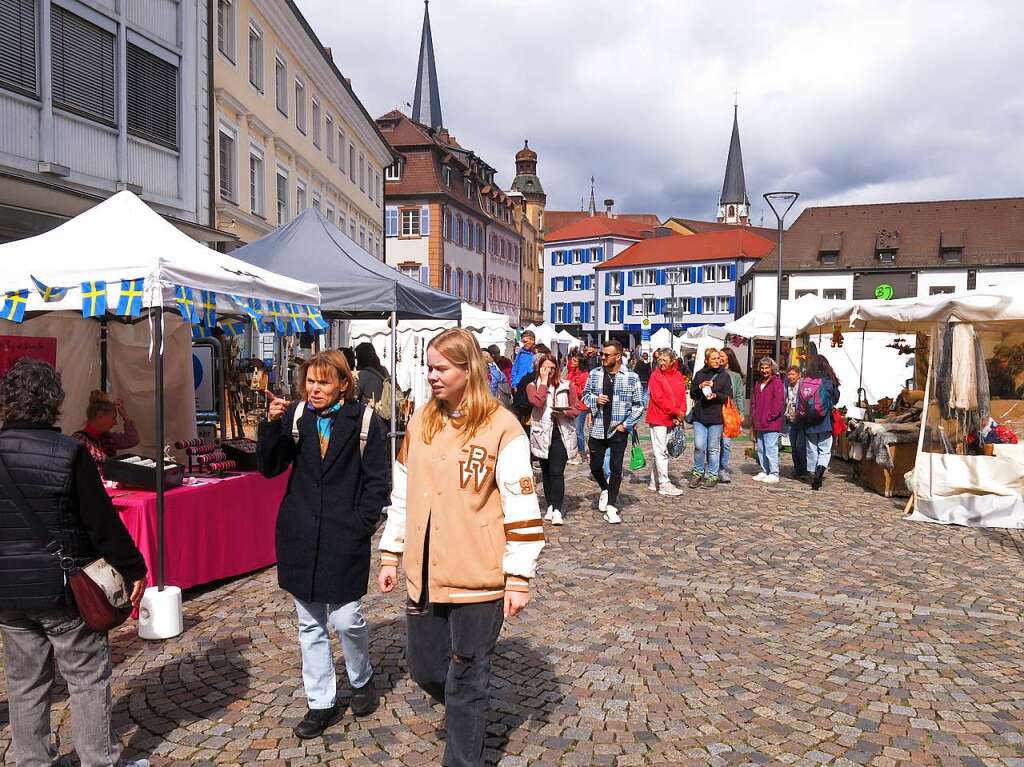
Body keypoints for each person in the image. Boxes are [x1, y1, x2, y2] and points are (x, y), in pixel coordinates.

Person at [377, 328, 544, 767]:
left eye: (441, 368)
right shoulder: (420, 420)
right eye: (428, 368)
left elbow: (521, 503)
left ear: (467, 369)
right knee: (426, 669)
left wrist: (518, 576)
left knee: (467, 675)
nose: (431, 376)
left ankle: (463, 756)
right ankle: (463, 707)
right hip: (425, 570)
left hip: (479, 575)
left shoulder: (502, 427)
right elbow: (403, 491)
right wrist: (391, 550)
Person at [0, 359, 148, 767]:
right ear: (54, 403)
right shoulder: (69, 452)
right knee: (86, 677)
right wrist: (134, 567)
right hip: (62, 587)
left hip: (9, 590)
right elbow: (100, 523)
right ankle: (99, 760)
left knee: (25, 682)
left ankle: (32, 761)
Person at [257, 350, 389, 738]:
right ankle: (321, 703)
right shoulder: (299, 417)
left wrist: (360, 525)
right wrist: (270, 425)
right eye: (310, 382)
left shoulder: (364, 420)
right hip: (300, 535)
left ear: (343, 384)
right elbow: (269, 467)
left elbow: (378, 481)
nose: (314, 389)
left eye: (323, 382)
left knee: (346, 618)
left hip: (344, 535)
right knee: (310, 625)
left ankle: (361, 677)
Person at [582, 340, 644, 524]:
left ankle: (611, 506)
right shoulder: (595, 374)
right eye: (602, 354)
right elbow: (585, 395)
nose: (602, 357)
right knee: (595, 466)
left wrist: (626, 425)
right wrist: (595, 400)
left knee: (616, 468)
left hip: (619, 428)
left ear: (618, 356)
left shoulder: (631, 377)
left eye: (606, 355)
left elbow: (639, 405)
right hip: (598, 427)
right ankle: (605, 488)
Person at [528, 352, 581, 526]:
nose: (549, 371)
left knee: (557, 472)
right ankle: (550, 505)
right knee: (546, 473)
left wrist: (564, 412)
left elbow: (576, 409)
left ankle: (557, 509)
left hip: (561, 433)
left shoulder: (567, 385)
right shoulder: (532, 386)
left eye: (552, 368)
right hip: (542, 434)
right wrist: (543, 383)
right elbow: (537, 402)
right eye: (545, 368)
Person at [688, 349, 733, 489]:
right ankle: (698, 473)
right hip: (700, 416)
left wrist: (716, 395)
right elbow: (693, 394)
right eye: (713, 358)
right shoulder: (700, 374)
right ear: (706, 360)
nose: (717, 360)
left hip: (716, 417)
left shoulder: (724, 376)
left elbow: (727, 395)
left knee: (713, 448)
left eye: (718, 358)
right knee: (699, 446)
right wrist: (700, 386)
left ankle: (713, 475)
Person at [645, 348, 687, 496]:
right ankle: (664, 483)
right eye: (659, 360)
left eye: (665, 360)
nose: (661, 363)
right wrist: (676, 411)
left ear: (672, 361)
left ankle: (654, 481)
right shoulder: (655, 376)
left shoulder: (678, 376)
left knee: (663, 450)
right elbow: (658, 398)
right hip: (659, 417)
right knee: (660, 450)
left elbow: (682, 395)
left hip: (673, 417)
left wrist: (681, 412)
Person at [800, 356, 841, 490]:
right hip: (824, 420)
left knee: (812, 448)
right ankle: (820, 470)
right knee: (824, 448)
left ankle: (812, 473)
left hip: (809, 420)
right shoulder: (828, 381)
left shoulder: (806, 381)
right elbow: (835, 400)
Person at [73, 390, 140, 469]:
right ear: (100, 417)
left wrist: (125, 416)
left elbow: (133, 439)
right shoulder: (79, 440)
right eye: (113, 418)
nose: (115, 423)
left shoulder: (108, 438)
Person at [750, 357, 785, 484]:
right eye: (762, 368)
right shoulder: (758, 383)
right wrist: (753, 416)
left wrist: (770, 417)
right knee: (761, 448)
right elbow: (754, 401)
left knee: (771, 448)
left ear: (772, 369)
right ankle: (765, 470)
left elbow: (779, 403)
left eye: (767, 368)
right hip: (759, 421)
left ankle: (774, 472)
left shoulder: (777, 382)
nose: (764, 370)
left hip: (771, 422)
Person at [718, 347, 746, 484]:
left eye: (722, 356)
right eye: (719, 356)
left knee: (726, 443)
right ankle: (713, 467)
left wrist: (741, 412)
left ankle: (722, 468)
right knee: (712, 443)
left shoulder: (735, 376)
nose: (720, 358)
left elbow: (739, 395)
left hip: (729, 412)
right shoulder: (715, 372)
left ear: (729, 357)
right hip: (715, 411)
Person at [565, 351, 590, 463]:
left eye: (575, 360)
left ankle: (581, 452)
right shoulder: (570, 372)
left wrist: (573, 386)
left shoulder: (585, 375)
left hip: (581, 406)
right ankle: (573, 451)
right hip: (570, 404)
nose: (572, 362)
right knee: (571, 429)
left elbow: (583, 392)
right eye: (572, 359)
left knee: (578, 430)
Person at [784, 365, 808, 480]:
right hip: (791, 419)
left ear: (798, 375)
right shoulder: (787, 386)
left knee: (800, 445)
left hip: (801, 419)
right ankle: (797, 468)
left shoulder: (802, 386)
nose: (790, 377)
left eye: (792, 374)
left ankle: (804, 469)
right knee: (793, 445)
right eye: (788, 374)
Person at [354, 342, 389, 407]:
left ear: (361, 358)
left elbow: (354, 395)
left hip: (369, 414)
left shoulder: (362, 375)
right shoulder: (384, 370)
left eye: (357, 357)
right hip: (384, 411)